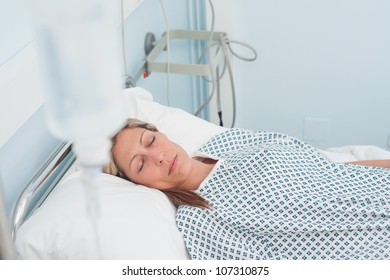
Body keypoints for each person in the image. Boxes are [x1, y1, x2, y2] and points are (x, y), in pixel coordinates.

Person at [104, 118, 390, 260]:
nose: (158, 157)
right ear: (138, 185)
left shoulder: (228, 142)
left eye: (150, 141)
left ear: (159, 132)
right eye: (140, 165)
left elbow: (330, 168)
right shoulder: (197, 220)